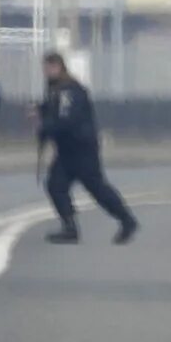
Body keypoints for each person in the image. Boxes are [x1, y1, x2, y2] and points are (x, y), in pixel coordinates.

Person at [35, 52, 138, 245]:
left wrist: (46, 127)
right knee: (56, 185)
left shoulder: (69, 90)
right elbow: (53, 109)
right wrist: (40, 110)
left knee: (97, 188)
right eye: (45, 68)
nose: (46, 72)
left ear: (58, 67)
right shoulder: (55, 89)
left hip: (81, 148)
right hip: (67, 149)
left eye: (49, 67)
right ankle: (69, 227)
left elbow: (66, 119)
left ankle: (127, 220)